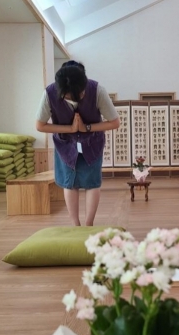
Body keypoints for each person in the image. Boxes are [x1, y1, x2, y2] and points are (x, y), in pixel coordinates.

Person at [36, 61, 120, 226]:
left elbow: (114, 122)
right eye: (70, 96)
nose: (79, 97)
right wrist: (71, 129)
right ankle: (75, 224)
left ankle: (89, 224)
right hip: (65, 145)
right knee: (70, 183)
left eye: (81, 93)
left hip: (92, 143)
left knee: (92, 182)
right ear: (61, 92)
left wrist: (85, 127)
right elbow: (40, 125)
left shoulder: (97, 91)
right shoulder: (49, 93)